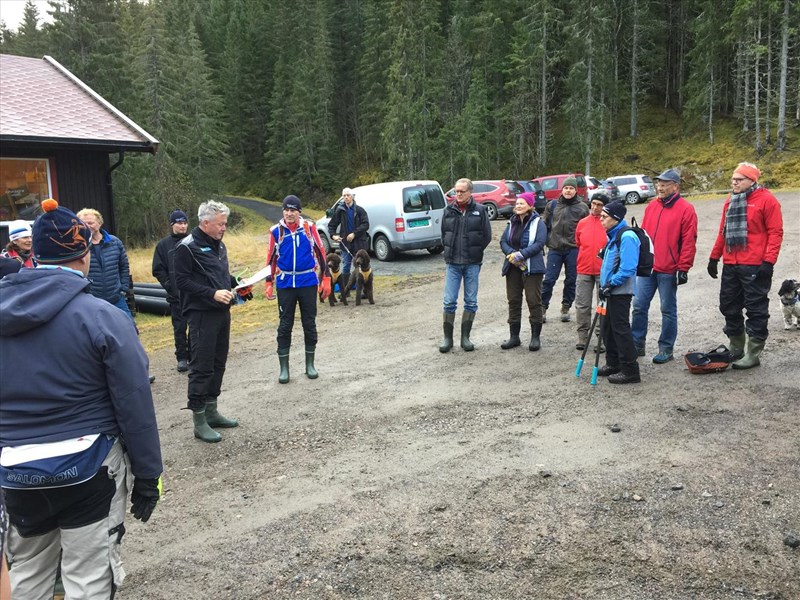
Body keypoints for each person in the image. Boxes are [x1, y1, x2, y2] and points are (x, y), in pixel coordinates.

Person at [0, 199, 163, 598]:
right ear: (86, 253)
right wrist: (148, 474)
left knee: (27, 575)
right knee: (88, 577)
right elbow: (134, 401)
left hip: (15, 470)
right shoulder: (103, 316)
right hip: (88, 467)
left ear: (33, 254)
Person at [173, 200, 250, 442]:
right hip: (200, 314)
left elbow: (219, 275)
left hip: (222, 312)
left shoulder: (219, 245)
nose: (224, 228)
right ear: (205, 223)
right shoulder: (186, 247)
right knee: (201, 366)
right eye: (220, 224)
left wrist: (235, 282)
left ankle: (212, 410)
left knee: (219, 362)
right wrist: (211, 293)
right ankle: (199, 420)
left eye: (225, 223)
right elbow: (181, 282)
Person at [707, 162, 784, 369]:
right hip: (732, 263)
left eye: (739, 179)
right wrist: (714, 258)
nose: (734, 182)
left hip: (755, 265)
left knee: (756, 309)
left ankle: (753, 352)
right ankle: (736, 346)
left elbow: (776, 233)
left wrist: (769, 261)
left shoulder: (767, 200)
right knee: (728, 305)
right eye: (733, 179)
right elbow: (723, 231)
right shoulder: (730, 200)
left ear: (752, 181)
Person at [631, 168, 698, 364]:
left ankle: (666, 349)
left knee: (667, 310)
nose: (659, 187)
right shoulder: (651, 206)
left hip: (669, 268)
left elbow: (688, 241)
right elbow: (644, 237)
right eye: (658, 184)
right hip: (648, 268)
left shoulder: (686, 209)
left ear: (675, 187)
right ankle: (637, 344)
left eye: (664, 184)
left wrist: (684, 268)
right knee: (638, 306)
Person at [265, 195, 330, 383]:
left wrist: (325, 278)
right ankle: (284, 369)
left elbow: (321, 252)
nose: (289, 213)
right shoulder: (276, 232)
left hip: (308, 282)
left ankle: (310, 365)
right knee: (285, 326)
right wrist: (269, 282)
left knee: (309, 323)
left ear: (299, 212)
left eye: (293, 210)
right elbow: (271, 258)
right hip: (285, 284)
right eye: (286, 210)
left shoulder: (309, 229)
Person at [439, 178, 492, 353]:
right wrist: (450, 251)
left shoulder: (480, 211)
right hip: (453, 263)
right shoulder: (448, 211)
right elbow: (444, 235)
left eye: (462, 191)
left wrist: (475, 251)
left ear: (470, 192)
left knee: (470, 301)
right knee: (449, 301)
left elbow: (486, 236)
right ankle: (448, 339)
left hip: (472, 263)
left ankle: (465, 338)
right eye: (456, 191)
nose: (458, 194)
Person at [597, 201, 641, 384]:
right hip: (609, 290)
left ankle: (630, 370)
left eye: (604, 216)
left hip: (620, 291)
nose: (601, 219)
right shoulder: (613, 235)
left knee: (620, 329)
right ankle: (613, 363)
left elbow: (628, 267)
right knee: (607, 328)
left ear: (615, 218)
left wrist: (611, 283)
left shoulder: (627, 236)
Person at [499, 194, 547, 351]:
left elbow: (540, 243)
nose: (518, 206)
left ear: (530, 205)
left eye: (522, 203)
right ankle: (514, 337)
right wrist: (512, 254)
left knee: (533, 301)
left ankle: (535, 337)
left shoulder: (538, 223)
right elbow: (503, 241)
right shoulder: (511, 221)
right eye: (517, 203)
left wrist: (521, 255)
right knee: (513, 301)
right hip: (512, 267)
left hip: (532, 268)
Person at [541, 177, 589, 323]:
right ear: (562, 190)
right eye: (566, 188)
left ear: (576, 190)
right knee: (549, 279)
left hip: (573, 249)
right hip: (555, 248)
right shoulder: (553, 205)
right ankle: (542, 308)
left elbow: (587, 229)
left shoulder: (582, 207)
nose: (568, 191)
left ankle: (566, 307)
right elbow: (544, 225)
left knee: (571, 280)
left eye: (571, 188)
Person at [153, 209, 191, 372]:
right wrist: (169, 285)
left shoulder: (194, 241)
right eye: (179, 223)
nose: (182, 226)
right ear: (172, 225)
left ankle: (195, 355)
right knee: (179, 327)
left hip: (194, 294)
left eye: (184, 223)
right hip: (176, 296)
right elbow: (157, 269)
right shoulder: (163, 245)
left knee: (196, 326)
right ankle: (182, 358)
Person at [76, 208, 133, 318]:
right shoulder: (78, 246)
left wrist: (123, 288)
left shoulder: (115, 242)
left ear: (99, 223)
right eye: (83, 223)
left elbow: (124, 267)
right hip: (91, 301)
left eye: (90, 223)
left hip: (116, 298)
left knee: (130, 328)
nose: (87, 226)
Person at [574, 193, 611, 351]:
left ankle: (600, 338)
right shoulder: (582, 223)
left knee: (602, 306)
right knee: (582, 304)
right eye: (593, 203)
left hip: (603, 271)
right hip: (583, 269)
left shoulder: (608, 224)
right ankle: (583, 337)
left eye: (599, 205)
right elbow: (578, 243)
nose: (595, 207)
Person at [328, 187, 369, 285]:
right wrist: (333, 236)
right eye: (344, 196)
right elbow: (331, 225)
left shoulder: (360, 210)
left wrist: (354, 233)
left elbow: (366, 225)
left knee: (360, 266)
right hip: (345, 244)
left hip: (359, 243)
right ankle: (346, 290)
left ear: (352, 197)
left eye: (348, 195)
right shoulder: (340, 210)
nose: (346, 197)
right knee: (346, 266)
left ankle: (363, 289)